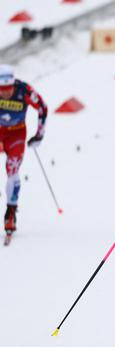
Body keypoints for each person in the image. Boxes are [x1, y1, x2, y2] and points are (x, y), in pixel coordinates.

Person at [0, 64, 47, 236]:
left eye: (8, 88)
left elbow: (42, 107)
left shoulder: (23, 90)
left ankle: (11, 212)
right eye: (2, 89)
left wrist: (39, 135)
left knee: (12, 170)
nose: (5, 92)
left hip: (16, 133)